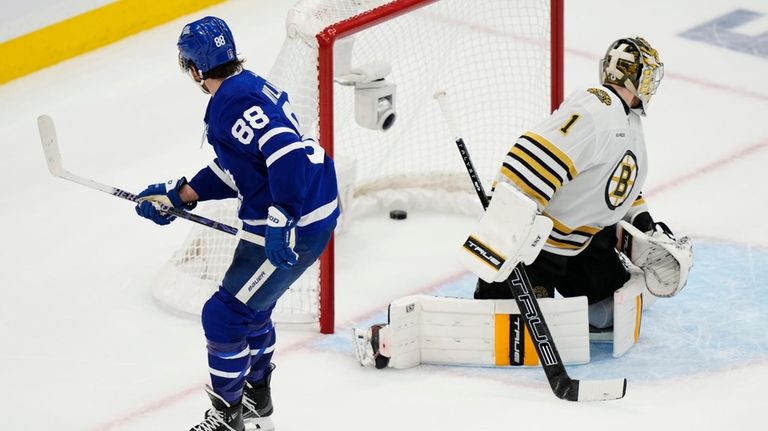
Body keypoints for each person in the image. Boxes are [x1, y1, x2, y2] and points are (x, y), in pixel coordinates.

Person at [133, 16, 339, 431]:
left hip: (296, 218)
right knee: (251, 312)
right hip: (310, 205)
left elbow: (285, 151)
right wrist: (182, 194)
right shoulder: (245, 87)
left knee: (223, 317)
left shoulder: (233, 102)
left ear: (193, 69)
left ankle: (229, 418)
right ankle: (256, 404)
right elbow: (242, 166)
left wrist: (283, 216)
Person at [473, 36, 692, 328]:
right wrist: (507, 224)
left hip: (584, 244)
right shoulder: (596, 106)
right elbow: (534, 156)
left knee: (615, 310)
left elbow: (618, 185)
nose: (651, 83)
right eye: (648, 74)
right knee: (512, 329)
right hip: (537, 247)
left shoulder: (630, 122)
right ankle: (499, 291)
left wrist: (644, 227)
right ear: (633, 76)